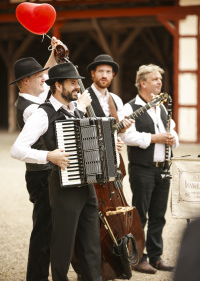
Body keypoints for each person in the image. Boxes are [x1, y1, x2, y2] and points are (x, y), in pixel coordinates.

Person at [11, 62, 102, 281]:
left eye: (78, 83)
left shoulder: (77, 111)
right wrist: (48, 155)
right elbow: (17, 149)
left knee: (91, 245)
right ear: (58, 86)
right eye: (72, 83)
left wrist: (109, 148)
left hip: (87, 186)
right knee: (62, 247)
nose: (77, 87)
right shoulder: (43, 114)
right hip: (62, 187)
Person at [9, 37, 61, 281]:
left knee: (47, 229)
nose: (44, 78)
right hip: (42, 175)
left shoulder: (33, 99)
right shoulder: (31, 109)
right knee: (43, 231)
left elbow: (44, 76)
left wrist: (53, 54)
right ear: (25, 81)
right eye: (38, 76)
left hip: (42, 173)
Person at [123, 64, 179, 274]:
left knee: (158, 215)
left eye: (160, 79)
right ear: (143, 83)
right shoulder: (130, 108)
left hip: (163, 168)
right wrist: (155, 138)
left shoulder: (163, 107)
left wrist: (173, 138)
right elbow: (127, 137)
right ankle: (137, 258)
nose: (160, 82)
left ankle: (156, 257)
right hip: (142, 169)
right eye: (155, 79)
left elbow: (173, 131)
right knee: (140, 215)